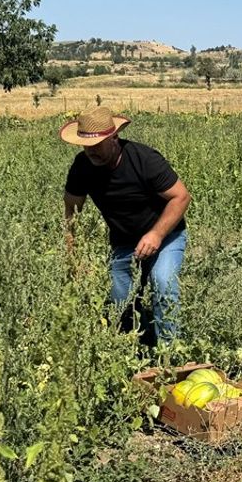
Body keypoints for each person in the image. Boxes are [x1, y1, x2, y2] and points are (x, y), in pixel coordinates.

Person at [62, 106, 192, 346]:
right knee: (120, 300)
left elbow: (181, 197)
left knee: (163, 283)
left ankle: (169, 357)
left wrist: (156, 234)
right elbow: (72, 214)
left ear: (114, 138)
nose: (91, 151)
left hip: (166, 236)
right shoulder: (82, 167)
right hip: (124, 243)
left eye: (98, 144)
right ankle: (135, 351)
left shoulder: (144, 159)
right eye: (86, 145)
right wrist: (74, 259)